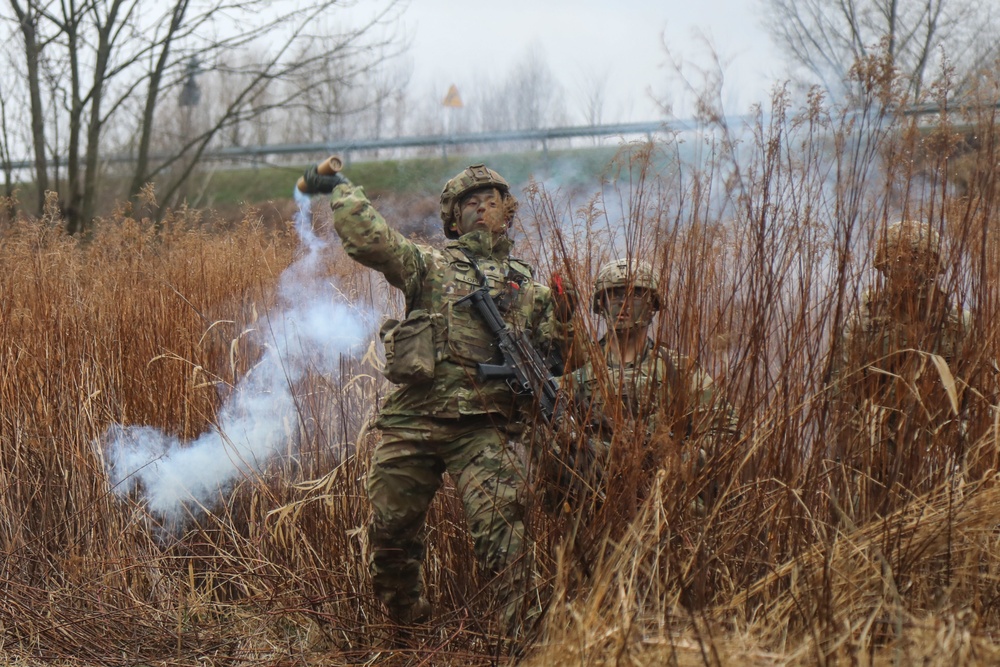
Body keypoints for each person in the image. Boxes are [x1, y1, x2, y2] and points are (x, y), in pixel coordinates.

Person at [300, 162, 575, 633]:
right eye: (471, 203)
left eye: (492, 201)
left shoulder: (531, 288)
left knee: (505, 543)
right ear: (452, 220)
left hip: (485, 427)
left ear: (507, 213)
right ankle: (407, 626)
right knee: (390, 535)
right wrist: (341, 190)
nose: (483, 208)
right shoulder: (429, 265)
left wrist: (566, 319)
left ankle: (526, 646)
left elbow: (560, 361)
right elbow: (374, 242)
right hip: (415, 420)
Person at [549, 258, 738, 509]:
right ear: (601, 304)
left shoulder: (678, 371)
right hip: (595, 508)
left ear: (652, 306)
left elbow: (727, 433)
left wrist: (675, 463)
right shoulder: (581, 372)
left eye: (635, 295)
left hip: (666, 508)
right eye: (613, 295)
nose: (623, 304)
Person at [832, 219, 976, 523]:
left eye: (918, 263)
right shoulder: (862, 325)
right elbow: (841, 399)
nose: (908, 274)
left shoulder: (959, 325)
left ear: (933, 268)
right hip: (875, 453)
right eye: (899, 263)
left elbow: (979, 399)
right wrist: (862, 450)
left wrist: (963, 451)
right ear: (884, 267)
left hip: (943, 454)